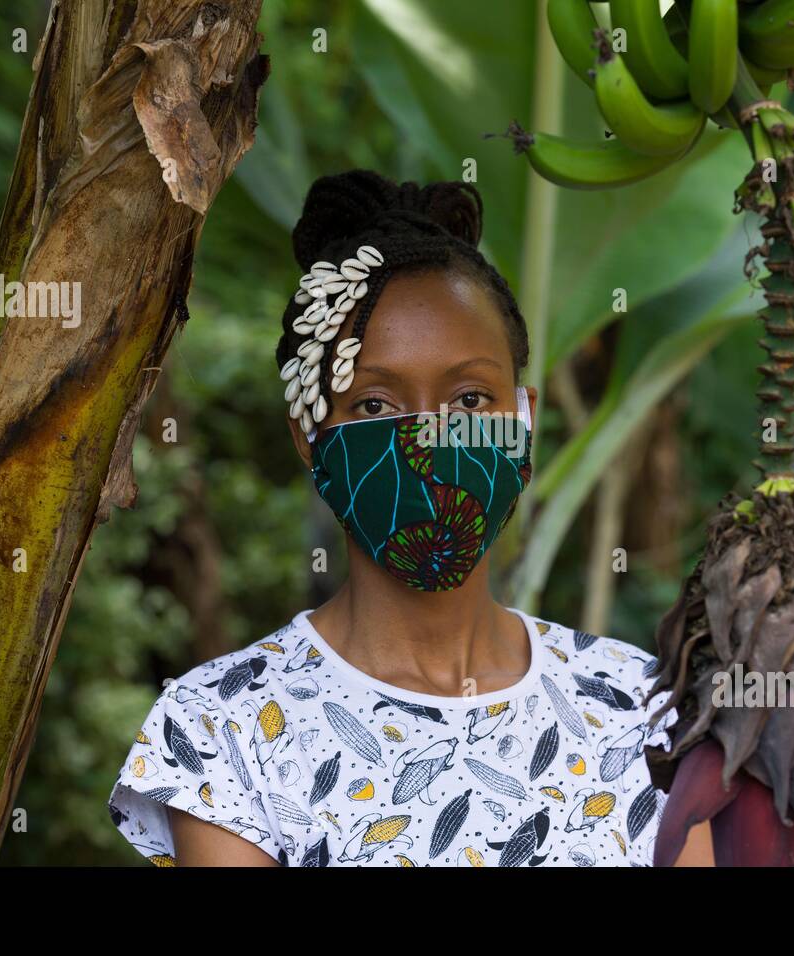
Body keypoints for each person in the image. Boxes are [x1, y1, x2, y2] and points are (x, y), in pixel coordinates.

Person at [106, 169, 710, 867]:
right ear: (309, 437)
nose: (428, 437)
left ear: (524, 420)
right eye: (375, 406)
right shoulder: (226, 728)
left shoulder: (643, 710)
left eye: (471, 399)